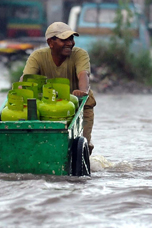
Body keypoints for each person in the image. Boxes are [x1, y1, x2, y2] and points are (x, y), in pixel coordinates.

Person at [21, 22, 96, 154]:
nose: (70, 43)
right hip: (47, 108)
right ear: (51, 42)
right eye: (64, 39)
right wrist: (21, 90)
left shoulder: (79, 54)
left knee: (81, 147)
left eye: (71, 39)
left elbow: (83, 74)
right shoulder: (38, 56)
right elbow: (26, 78)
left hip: (79, 107)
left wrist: (83, 91)